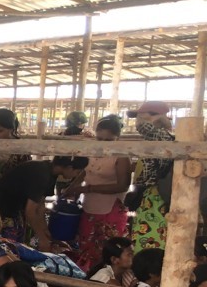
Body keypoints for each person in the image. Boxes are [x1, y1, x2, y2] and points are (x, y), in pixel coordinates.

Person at [64, 116, 131, 273]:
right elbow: (84, 172)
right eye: (99, 138)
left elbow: (123, 185)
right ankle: (89, 279)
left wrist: (87, 189)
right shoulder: (91, 151)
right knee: (86, 245)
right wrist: (72, 187)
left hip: (111, 208)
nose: (103, 143)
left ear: (117, 138)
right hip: (90, 206)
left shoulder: (121, 156)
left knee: (109, 249)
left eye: (108, 140)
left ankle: (107, 280)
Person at [131, 101, 175, 251]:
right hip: (151, 193)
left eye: (145, 116)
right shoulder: (161, 135)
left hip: (155, 193)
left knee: (150, 237)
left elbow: (142, 126)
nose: (139, 120)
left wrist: (158, 119)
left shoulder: (159, 134)